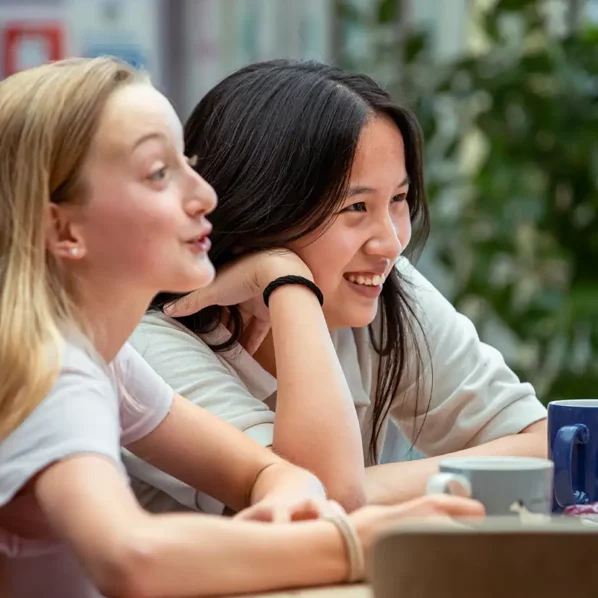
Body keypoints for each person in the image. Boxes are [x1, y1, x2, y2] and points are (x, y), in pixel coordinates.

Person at [0, 57, 484, 598]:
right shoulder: (53, 371)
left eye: (187, 163)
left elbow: (271, 476)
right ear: (64, 229)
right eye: (159, 173)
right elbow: (130, 557)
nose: (205, 194)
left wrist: (286, 500)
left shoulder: (105, 361)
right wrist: (356, 541)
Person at [129, 59, 548, 514]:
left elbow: (549, 446)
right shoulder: (149, 341)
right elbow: (313, 507)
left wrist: (368, 486)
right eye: (355, 207)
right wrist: (288, 284)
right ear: (263, 207)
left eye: (399, 200)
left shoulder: (383, 290)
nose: (390, 242)